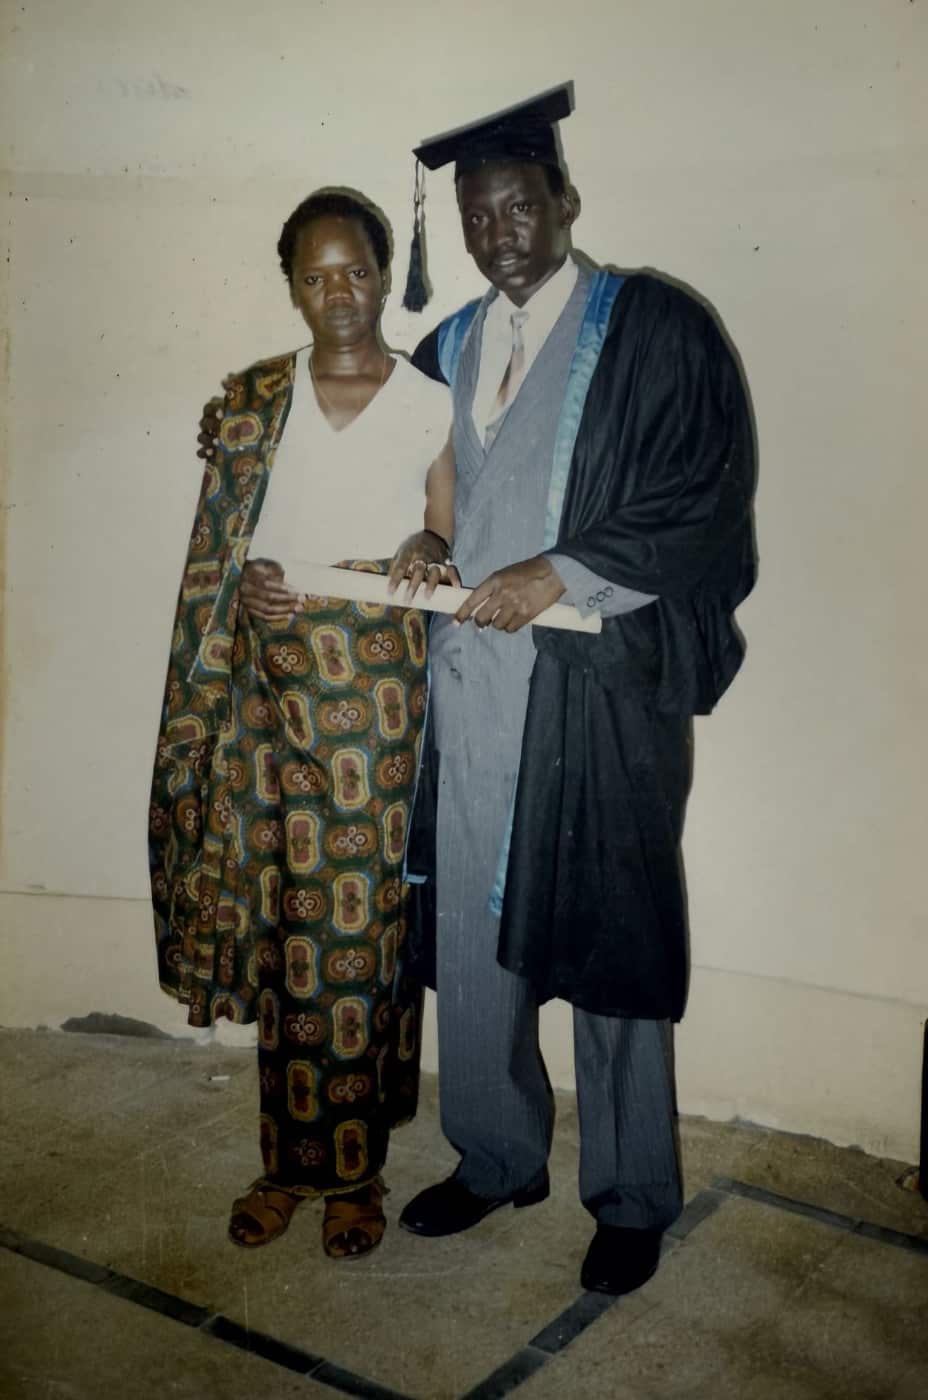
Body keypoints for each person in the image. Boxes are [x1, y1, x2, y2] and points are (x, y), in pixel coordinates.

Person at [204, 84, 756, 1297]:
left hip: (598, 692)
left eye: (518, 205)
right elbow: (405, 494)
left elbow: (699, 493)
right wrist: (405, 543)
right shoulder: (447, 347)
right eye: (476, 214)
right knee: (468, 931)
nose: (498, 231)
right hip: (459, 691)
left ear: (565, 200)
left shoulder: (656, 328)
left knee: (613, 940)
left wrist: (557, 570)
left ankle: (630, 1191)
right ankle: (498, 1154)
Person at [150, 188, 456, 1260]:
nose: (340, 294)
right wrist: (245, 582)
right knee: (285, 925)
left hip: (374, 698)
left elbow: (442, 528)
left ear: (383, 275)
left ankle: (355, 1174)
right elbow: (226, 540)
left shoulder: (427, 401)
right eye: (316, 276)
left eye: (357, 271)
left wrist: (425, 546)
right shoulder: (252, 398)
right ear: (292, 286)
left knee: (355, 933)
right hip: (266, 690)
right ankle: (285, 1163)